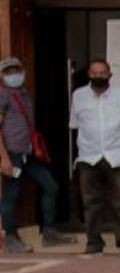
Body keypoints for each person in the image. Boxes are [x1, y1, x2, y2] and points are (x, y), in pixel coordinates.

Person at [1, 57, 76, 253]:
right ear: (2, 75)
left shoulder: (24, 95)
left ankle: (49, 232)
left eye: (16, 70)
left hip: (27, 153)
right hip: (11, 153)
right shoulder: (2, 95)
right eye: (8, 72)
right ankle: (10, 238)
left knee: (51, 186)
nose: (13, 75)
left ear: (23, 72)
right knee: (11, 195)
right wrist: (4, 158)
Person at [70, 59, 120, 258]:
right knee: (91, 203)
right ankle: (93, 244)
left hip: (118, 156)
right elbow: (75, 124)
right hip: (89, 156)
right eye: (95, 72)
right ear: (89, 74)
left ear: (110, 75)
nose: (99, 76)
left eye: (103, 73)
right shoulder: (78, 96)